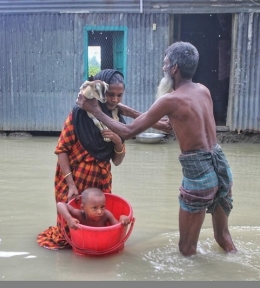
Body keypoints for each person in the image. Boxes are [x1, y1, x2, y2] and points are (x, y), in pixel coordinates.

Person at [77, 41, 237, 257]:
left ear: (174, 69)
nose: (163, 68)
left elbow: (127, 132)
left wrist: (94, 109)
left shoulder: (171, 99)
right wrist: (122, 108)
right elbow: (169, 126)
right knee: (223, 237)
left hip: (199, 174)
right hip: (221, 167)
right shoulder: (203, 91)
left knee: (186, 250)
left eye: (165, 63)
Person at [37, 69, 170, 250]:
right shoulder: (79, 115)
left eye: (119, 95)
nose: (115, 100)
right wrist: (71, 185)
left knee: (97, 224)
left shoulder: (117, 120)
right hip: (73, 178)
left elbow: (117, 161)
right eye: (110, 95)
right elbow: (61, 150)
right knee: (69, 231)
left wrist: (117, 142)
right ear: (101, 93)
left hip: (101, 180)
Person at [57, 187, 131, 229]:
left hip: (102, 243)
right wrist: (69, 219)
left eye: (102, 207)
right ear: (83, 208)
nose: (99, 212)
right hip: (84, 243)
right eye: (94, 208)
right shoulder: (80, 214)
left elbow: (117, 228)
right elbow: (60, 204)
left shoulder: (106, 214)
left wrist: (123, 218)